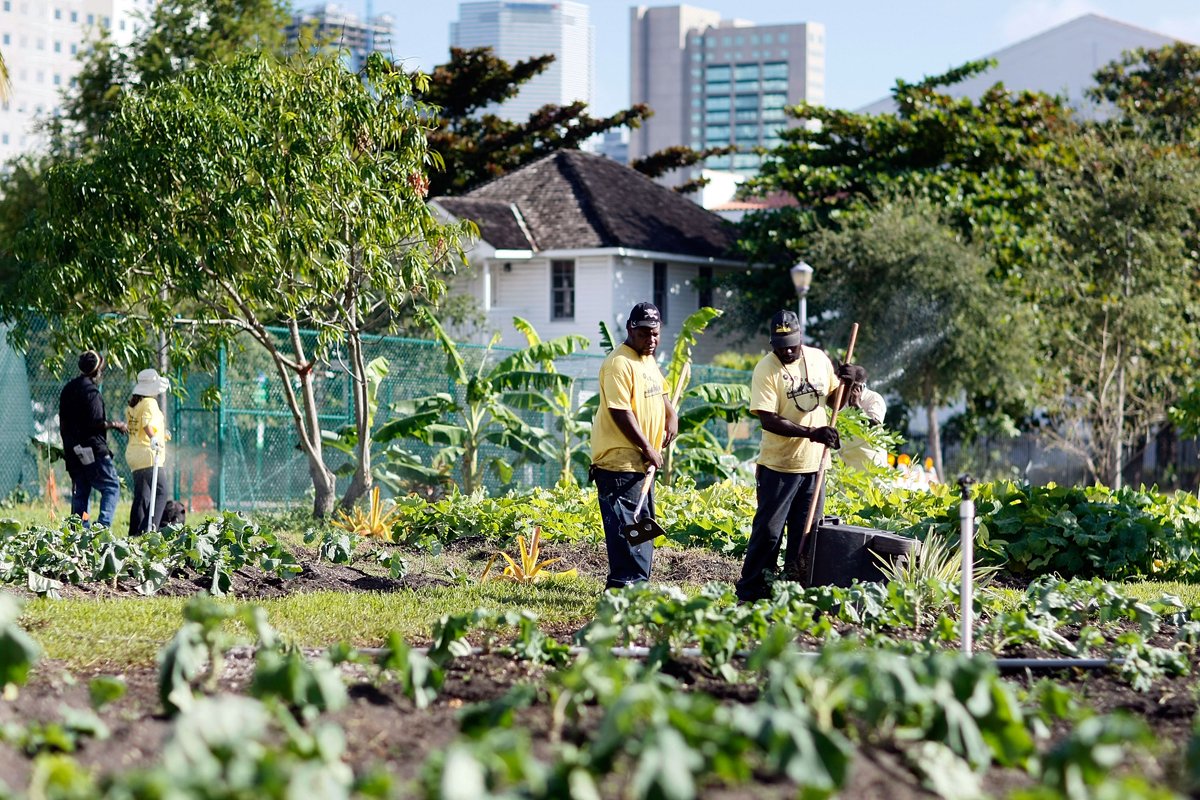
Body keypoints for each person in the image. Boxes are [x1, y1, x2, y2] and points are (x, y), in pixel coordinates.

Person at [735, 310, 854, 602]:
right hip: (778, 466)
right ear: (772, 342)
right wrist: (812, 433)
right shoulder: (766, 369)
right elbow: (768, 419)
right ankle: (751, 594)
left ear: (801, 338)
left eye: (792, 343)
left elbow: (835, 400)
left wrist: (848, 383)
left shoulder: (817, 359)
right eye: (780, 344)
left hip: (814, 467)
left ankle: (792, 593)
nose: (787, 350)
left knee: (807, 536)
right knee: (768, 536)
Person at [589, 302, 678, 590]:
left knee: (640, 530)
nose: (650, 340)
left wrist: (671, 415)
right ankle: (623, 591)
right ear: (630, 328)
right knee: (627, 533)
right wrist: (648, 448)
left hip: (642, 465)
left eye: (655, 334)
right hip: (619, 464)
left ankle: (634, 588)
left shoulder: (647, 359)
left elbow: (661, 393)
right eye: (644, 334)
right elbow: (620, 411)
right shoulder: (619, 363)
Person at [59, 350, 127, 528]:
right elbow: (96, 423)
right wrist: (116, 425)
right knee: (111, 486)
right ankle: (102, 528)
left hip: (74, 451)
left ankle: (79, 530)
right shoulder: (91, 392)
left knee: (81, 491)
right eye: (101, 369)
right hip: (93, 450)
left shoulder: (68, 389)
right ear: (96, 371)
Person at [125, 368, 171, 535]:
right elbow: (146, 424)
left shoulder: (133, 404)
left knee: (142, 496)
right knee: (161, 491)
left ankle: (134, 533)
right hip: (148, 455)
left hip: (134, 455)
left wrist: (161, 434)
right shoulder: (150, 403)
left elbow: (138, 426)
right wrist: (153, 437)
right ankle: (149, 529)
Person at [838, 365, 888, 471]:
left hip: (870, 464)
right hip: (848, 462)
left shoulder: (874, 399)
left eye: (851, 385)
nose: (848, 388)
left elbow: (875, 425)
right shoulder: (841, 399)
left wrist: (857, 406)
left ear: (861, 386)